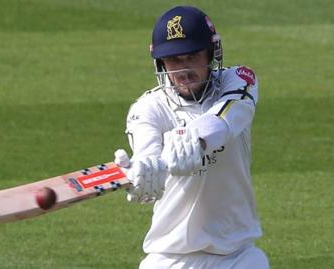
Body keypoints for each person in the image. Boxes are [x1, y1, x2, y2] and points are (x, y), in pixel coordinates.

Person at [114, 5, 269, 269]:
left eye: (192, 57)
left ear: (211, 53)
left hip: (238, 257)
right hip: (168, 258)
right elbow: (147, 149)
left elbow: (223, 122)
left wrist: (190, 142)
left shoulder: (239, 80)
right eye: (174, 60)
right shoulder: (147, 108)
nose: (183, 69)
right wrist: (145, 171)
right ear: (160, 62)